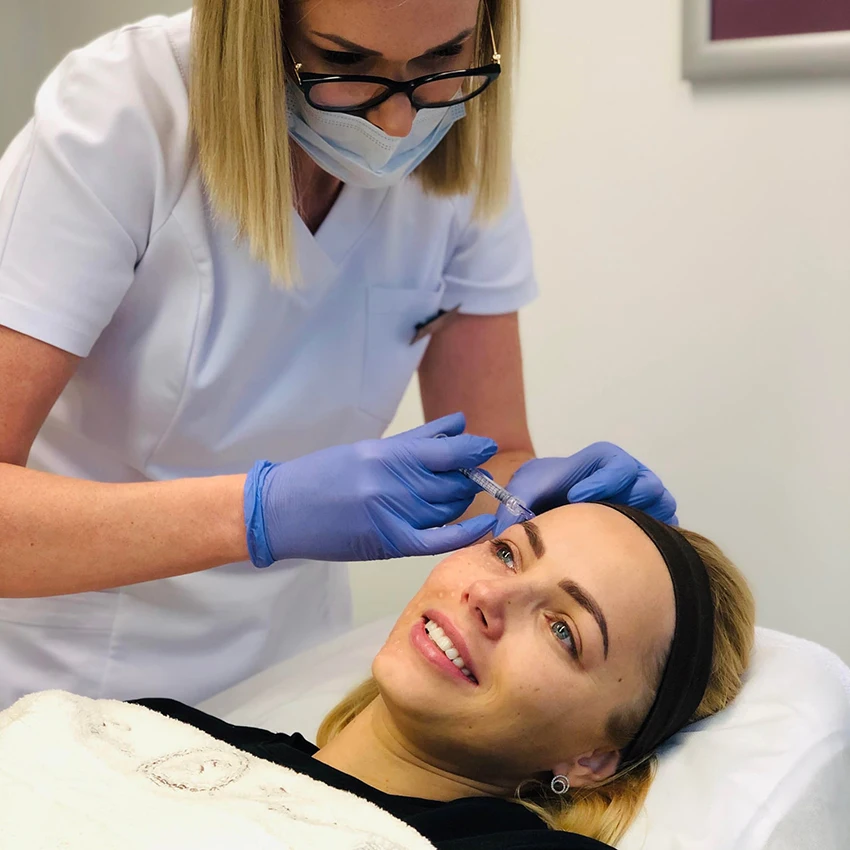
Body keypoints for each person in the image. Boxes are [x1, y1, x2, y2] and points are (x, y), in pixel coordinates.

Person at [0, 0, 678, 710]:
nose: (398, 124)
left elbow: (493, 457)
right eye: (345, 62)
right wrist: (261, 513)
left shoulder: (457, 147)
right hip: (64, 676)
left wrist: (545, 501)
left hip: (291, 676)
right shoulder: (123, 116)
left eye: (441, 59)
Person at [134, 503, 756, 849]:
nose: (488, 594)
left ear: (593, 758)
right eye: (507, 553)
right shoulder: (157, 728)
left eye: (563, 629)